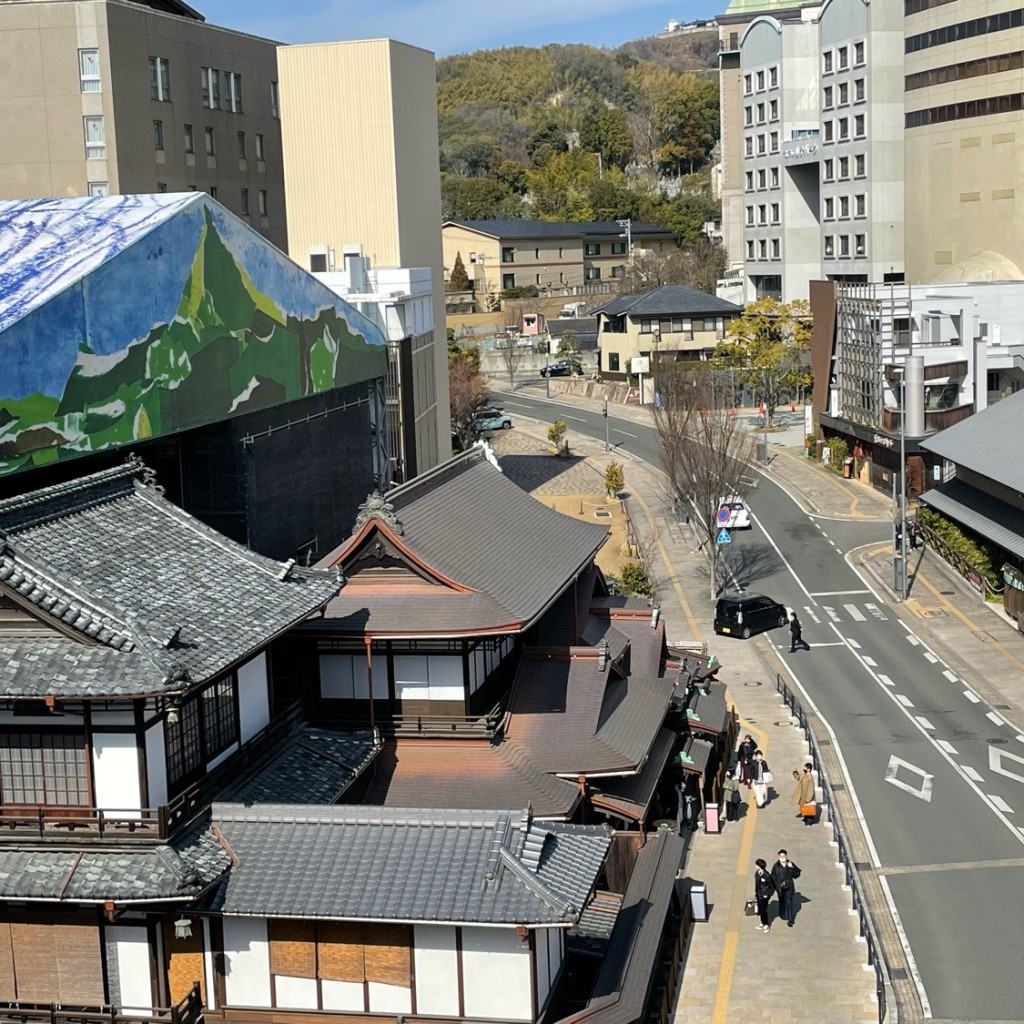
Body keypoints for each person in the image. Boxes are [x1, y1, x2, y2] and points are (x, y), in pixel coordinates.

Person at [770, 849, 802, 927]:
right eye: (781, 856)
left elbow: (797, 874)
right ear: (778, 856)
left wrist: (791, 868)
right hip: (780, 889)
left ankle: (791, 920)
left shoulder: (790, 864)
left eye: (784, 856)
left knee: (789, 903)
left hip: (789, 888)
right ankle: (783, 914)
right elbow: (773, 877)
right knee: (782, 902)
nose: (782, 857)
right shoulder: (776, 866)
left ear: (786, 856)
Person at [753, 858, 776, 932]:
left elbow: (772, 886)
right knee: (760, 909)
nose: (755, 866)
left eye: (756, 865)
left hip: (764, 895)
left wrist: (768, 894)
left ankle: (766, 924)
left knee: (764, 910)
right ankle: (763, 922)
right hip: (759, 894)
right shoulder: (757, 873)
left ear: (760, 866)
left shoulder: (767, 875)